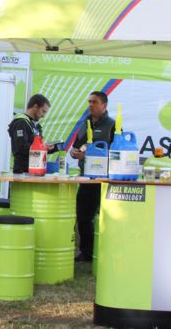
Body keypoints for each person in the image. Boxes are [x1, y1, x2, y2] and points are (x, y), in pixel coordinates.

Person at [69, 90, 116, 262]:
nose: (90, 105)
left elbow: (116, 153)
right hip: (86, 178)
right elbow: (77, 146)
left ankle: (105, 254)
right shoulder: (85, 123)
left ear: (104, 105)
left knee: (106, 219)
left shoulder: (112, 125)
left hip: (104, 179)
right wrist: (75, 153)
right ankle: (86, 253)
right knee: (83, 216)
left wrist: (88, 156)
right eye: (89, 102)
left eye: (94, 102)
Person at [8, 94, 54, 173]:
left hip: (36, 169)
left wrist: (53, 147)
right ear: (35, 107)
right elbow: (21, 147)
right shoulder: (21, 122)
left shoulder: (37, 125)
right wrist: (42, 147)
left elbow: (38, 148)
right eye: (43, 111)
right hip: (22, 171)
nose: (43, 116)